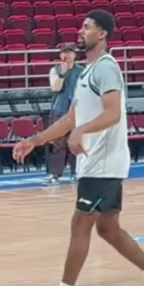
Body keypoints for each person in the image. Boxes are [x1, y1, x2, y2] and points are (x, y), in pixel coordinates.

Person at [12, 10, 144, 286]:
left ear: (102, 34)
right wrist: (35, 140)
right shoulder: (85, 72)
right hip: (95, 161)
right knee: (107, 228)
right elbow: (71, 118)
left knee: (80, 224)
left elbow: (112, 113)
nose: (81, 31)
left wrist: (81, 132)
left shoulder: (106, 67)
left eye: (87, 27)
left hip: (103, 160)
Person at [44, 44, 81, 185]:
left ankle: (77, 172)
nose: (68, 55)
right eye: (65, 52)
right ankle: (55, 174)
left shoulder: (82, 71)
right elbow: (55, 88)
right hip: (59, 110)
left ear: (75, 55)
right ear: (60, 55)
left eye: (70, 52)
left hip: (77, 111)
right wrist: (62, 74)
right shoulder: (55, 70)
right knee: (58, 143)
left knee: (76, 142)